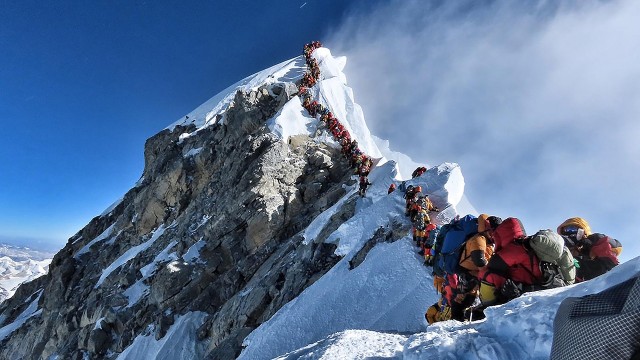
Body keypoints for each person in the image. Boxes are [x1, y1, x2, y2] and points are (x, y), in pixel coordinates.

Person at [557, 217, 621, 281]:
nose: (568, 232)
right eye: (564, 231)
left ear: (582, 230)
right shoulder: (563, 253)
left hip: (604, 282)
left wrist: (592, 242)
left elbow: (613, 249)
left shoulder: (595, 242)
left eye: (571, 229)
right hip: (575, 287)